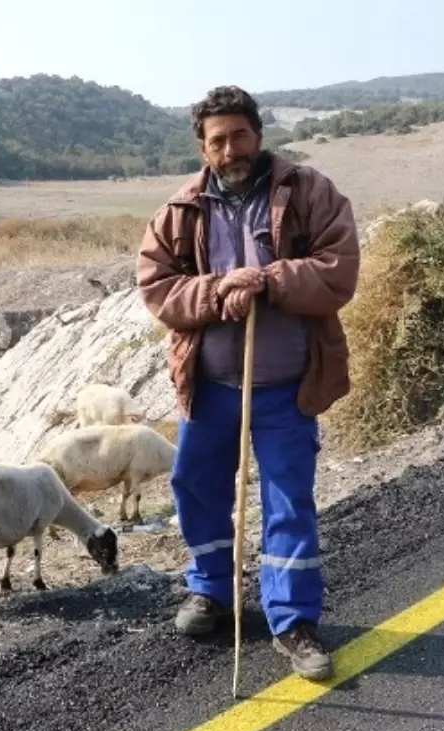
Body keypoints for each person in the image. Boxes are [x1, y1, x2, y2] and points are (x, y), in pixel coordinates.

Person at [135, 85, 360, 681]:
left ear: (258, 134)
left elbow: (339, 270)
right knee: (195, 485)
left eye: (239, 135)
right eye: (217, 140)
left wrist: (266, 279)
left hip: (286, 384)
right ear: (202, 147)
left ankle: (293, 620)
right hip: (210, 386)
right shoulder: (180, 211)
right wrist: (218, 290)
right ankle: (212, 589)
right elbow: (157, 288)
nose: (230, 149)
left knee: (289, 501)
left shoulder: (310, 193)